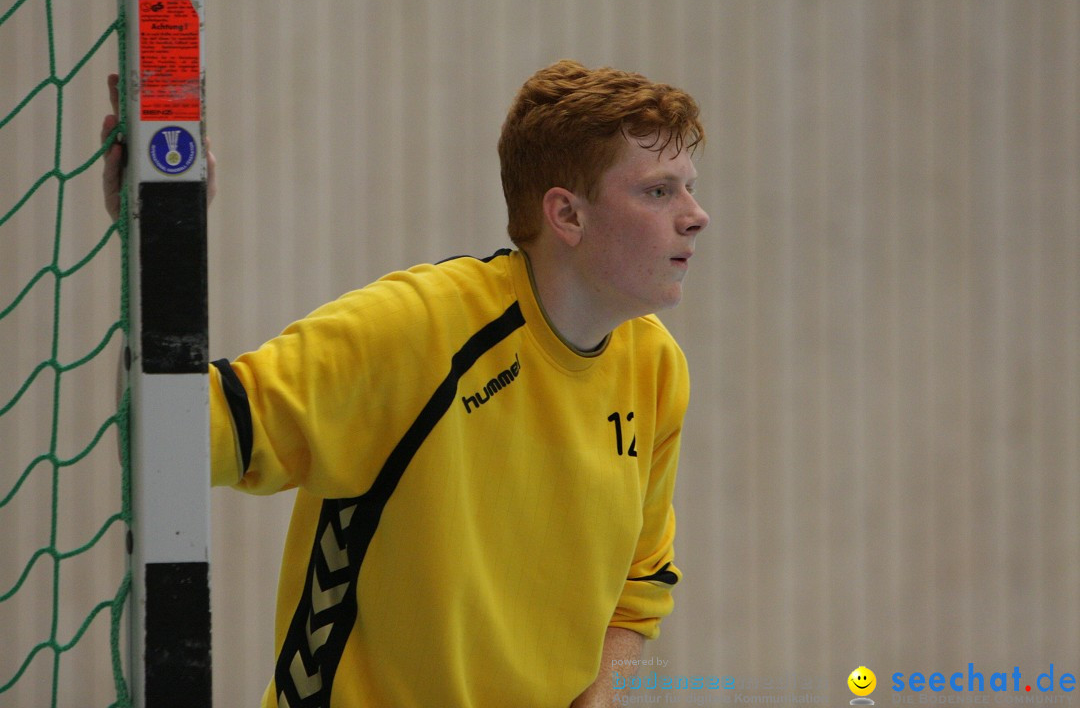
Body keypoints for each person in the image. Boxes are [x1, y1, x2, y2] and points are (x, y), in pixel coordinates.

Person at [104, 59, 709, 707]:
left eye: (690, 189)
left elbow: (639, 586)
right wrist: (161, 236)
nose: (695, 215)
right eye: (658, 191)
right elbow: (176, 435)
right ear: (567, 215)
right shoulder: (411, 332)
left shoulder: (655, 367)